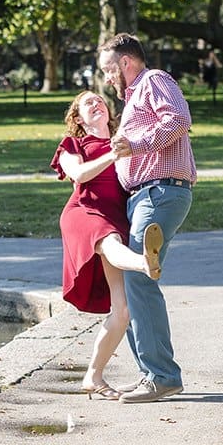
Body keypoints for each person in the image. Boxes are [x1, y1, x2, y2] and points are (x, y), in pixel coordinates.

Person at [99, 32, 197, 404]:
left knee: (139, 277)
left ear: (125, 63)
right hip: (144, 195)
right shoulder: (132, 98)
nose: (107, 77)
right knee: (132, 280)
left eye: (109, 69)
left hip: (160, 191)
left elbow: (178, 120)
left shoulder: (153, 81)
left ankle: (161, 376)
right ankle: (153, 374)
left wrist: (135, 145)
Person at [51, 90, 163, 400]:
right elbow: (79, 173)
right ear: (78, 118)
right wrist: (113, 155)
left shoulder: (124, 140)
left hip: (117, 216)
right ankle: (144, 262)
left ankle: (93, 376)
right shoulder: (73, 145)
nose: (96, 103)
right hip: (84, 212)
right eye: (88, 102)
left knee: (123, 311)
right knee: (111, 241)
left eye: (100, 100)